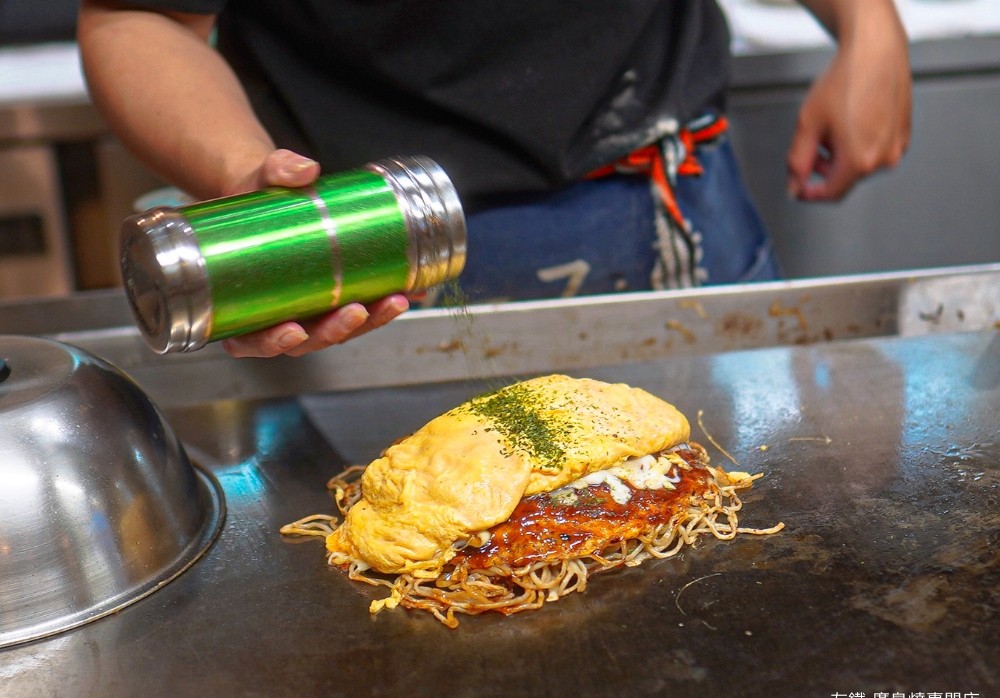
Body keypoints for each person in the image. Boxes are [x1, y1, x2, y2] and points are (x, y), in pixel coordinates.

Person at [77, 0, 911, 358]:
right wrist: (245, 179)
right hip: (369, 271)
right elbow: (140, 16)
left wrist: (870, 25)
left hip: (678, 213)